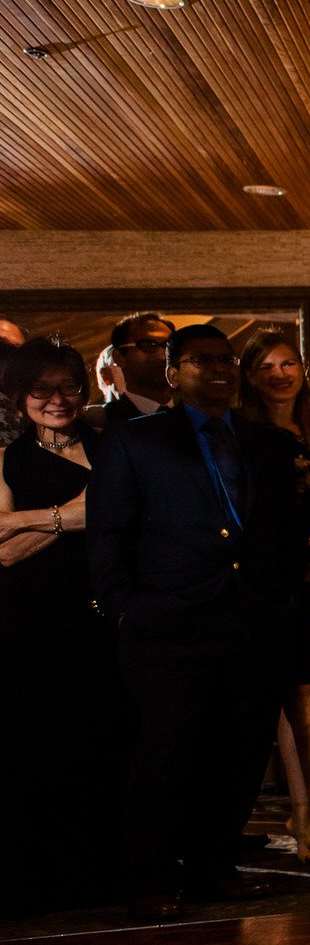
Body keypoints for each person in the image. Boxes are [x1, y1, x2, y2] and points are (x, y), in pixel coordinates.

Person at [88, 325, 308, 919]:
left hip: (251, 622)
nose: (218, 369)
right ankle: (152, 873)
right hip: (168, 622)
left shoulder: (267, 443)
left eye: (225, 359)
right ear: (172, 373)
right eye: (201, 360)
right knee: (168, 751)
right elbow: (110, 532)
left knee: (238, 750)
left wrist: (282, 604)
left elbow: (285, 536)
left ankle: (217, 865)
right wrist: (121, 606)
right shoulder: (136, 441)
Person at [0, 338, 121, 911]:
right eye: (42, 389)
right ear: (20, 397)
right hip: (34, 624)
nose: (57, 399)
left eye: (68, 386)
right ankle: (46, 884)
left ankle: (104, 875)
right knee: (44, 749)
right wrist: (70, 515)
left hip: (109, 618)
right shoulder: (8, 458)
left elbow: (125, 518)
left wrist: (23, 522)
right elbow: (1, 555)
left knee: (107, 746)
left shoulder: (111, 446)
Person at [238, 330, 310, 861]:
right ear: (250, 376)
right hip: (264, 581)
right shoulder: (241, 433)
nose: (280, 373)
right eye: (267, 366)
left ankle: (304, 820)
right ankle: (251, 814)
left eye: (289, 363)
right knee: (266, 699)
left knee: (301, 698)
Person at [100, 312, 175, 426]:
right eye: (148, 345)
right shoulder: (104, 422)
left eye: (168, 346)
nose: (163, 355)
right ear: (119, 357)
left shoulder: (198, 413)